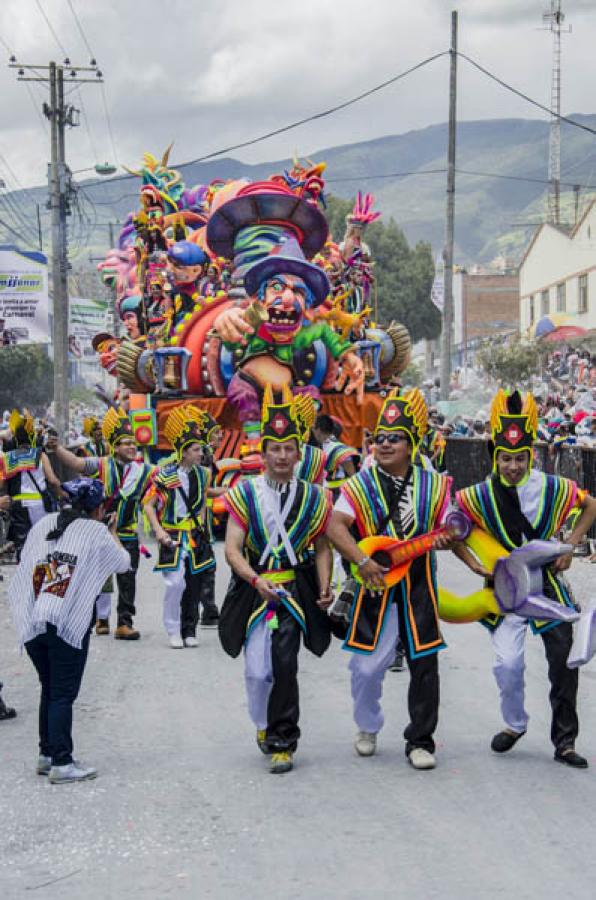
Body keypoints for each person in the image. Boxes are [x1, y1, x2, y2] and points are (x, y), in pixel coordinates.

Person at [455, 389, 596, 768]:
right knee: (507, 664)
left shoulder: (553, 487)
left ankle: (564, 741)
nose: (513, 466)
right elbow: (452, 530)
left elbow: (590, 506)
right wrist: (471, 563)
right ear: (494, 455)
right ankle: (515, 723)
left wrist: (569, 545)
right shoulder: (478, 496)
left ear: (530, 455)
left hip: (547, 589)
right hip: (504, 593)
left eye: (520, 458)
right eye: (506, 458)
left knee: (563, 660)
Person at [326, 388, 453, 770]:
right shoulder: (359, 485)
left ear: (411, 445)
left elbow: (449, 530)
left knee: (424, 665)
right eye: (378, 438)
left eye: (393, 438)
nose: (383, 444)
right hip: (375, 588)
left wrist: (460, 548)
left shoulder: (434, 486)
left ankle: (420, 740)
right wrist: (361, 560)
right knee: (365, 668)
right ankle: (367, 725)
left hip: (418, 589)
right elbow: (335, 525)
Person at [219, 385, 333, 775]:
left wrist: (324, 587)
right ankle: (263, 724)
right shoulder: (245, 493)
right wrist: (254, 580)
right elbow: (232, 549)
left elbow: (321, 547)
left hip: (292, 593)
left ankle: (283, 740)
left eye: (289, 449)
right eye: (275, 449)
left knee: (285, 663)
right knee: (257, 671)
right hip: (255, 591)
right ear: (263, 452)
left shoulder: (314, 497)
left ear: (299, 453)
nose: (282, 456)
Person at [8, 478, 130, 783]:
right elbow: (124, 563)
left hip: (33, 616)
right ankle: (62, 762)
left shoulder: (45, 522)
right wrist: (112, 532)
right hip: (65, 623)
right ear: (99, 508)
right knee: (63, 693)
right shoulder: (97, 531)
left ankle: (46, 754)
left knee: (49, 688)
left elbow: (28, 560)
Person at [47, 408, 155, 640]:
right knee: (99, 577)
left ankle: (124, 622)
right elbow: (76, 463)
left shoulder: (144, 471)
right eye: (126, 443)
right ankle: (100, 617)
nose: (131, 447)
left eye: (133, 443)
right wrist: (56, 449)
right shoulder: (102, 465)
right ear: (115, 447)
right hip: (101, 531)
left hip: (127, 532)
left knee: (128, 577)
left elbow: (165, 478)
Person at [144, 405, 215, 648]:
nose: (200, 453)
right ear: (184, 452)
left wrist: (203, 526)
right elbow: (149, 506)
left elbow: (203, 501)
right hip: (172, 534)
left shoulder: (203, 474)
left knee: (194, 584)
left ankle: (189, 630)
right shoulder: (164, 476)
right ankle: (173, 629)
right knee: (176, 583)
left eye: (200, 449)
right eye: (196, 450)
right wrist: (159, 531)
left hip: (194, 535)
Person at [0, 409, 62, 560]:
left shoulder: (8, 459)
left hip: (18, 506)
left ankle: (25, 573)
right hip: (40, 505)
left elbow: (1, 485)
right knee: (43, 544)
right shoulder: (40, 455)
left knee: (23, 545)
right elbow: (53, 481)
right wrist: (62, 494)